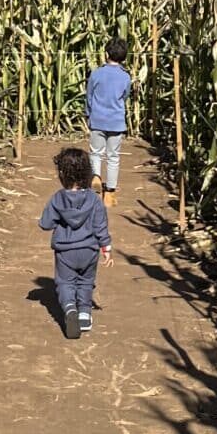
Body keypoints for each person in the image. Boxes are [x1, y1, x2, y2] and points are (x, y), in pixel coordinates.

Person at [38, 146, 112, 340]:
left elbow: (45, 224)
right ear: (87, 172)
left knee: (65, 282)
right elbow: (100, 226)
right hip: (90, 250)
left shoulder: (57, 199)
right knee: (86, 281)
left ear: (62, 174)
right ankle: (85, 315)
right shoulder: (94, 200)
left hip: (66, 251)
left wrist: (57, 218)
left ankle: (70, 307)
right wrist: (106, 248)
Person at [86, 36, 133, 207]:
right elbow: (125, 96)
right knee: (113, 157)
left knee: (96, 152)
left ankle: (96, 177)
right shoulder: (125, 77)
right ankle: (110, 193)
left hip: (98, 119)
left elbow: (89, 96)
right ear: (124, 57)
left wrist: (88, 114)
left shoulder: (96, 73)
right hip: (116, 121)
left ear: (106, 54)